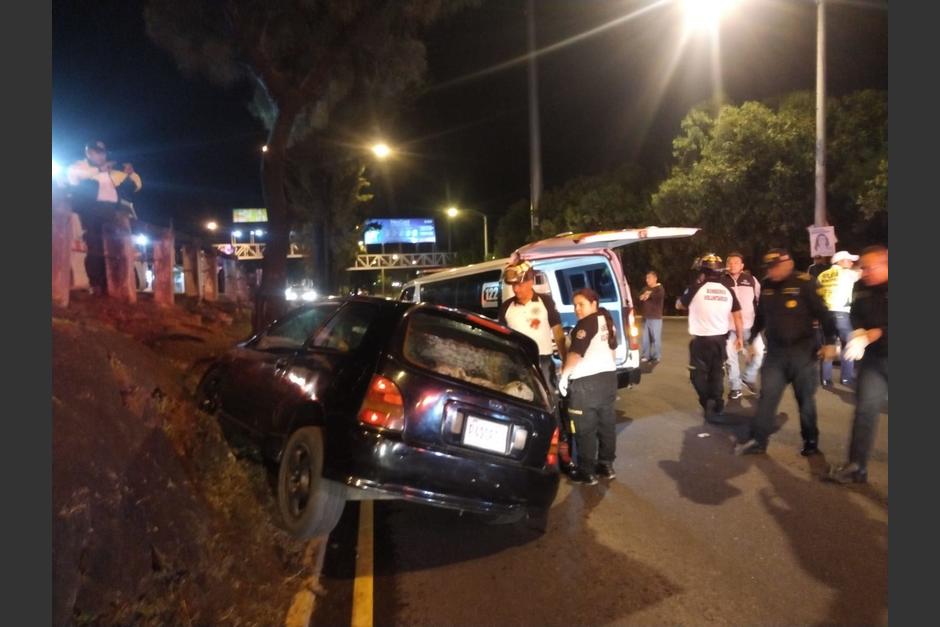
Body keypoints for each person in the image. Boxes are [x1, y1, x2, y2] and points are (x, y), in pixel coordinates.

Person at [735, 248, 839, 456]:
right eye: (768, 269)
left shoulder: (805, 282)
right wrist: (751, 340)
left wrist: (830, 342)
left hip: (803, 353)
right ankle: (758, 441)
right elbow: (761, 317)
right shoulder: (766, 285)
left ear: (788, 263)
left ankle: (811, 442)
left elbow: (825, 314)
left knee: (805, 400)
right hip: (775, 354)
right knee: (767, 398)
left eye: (774, 268)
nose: (771, 272)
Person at [498, 260, 571, 468]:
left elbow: (558, 333)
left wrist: (565, 362)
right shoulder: (506, 307)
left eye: (520, 284)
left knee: (551, 405)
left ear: (531, 281)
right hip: (517, 365)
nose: (516, 289)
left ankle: (561, 449)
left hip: (543, 362)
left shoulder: (545, 302)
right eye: (513, 285)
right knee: (520, 406)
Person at [827, 245, 888, 484]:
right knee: (865, 410)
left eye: (870, 267)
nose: (865, 272)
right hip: (874, 360)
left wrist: (875, 333)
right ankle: (856, 465)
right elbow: (855, 314)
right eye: (863, 268)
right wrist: (859, 331)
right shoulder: (862, 286)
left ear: (886, 262)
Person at [557, 288, 618, 485]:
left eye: (581, 304)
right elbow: (612, 351)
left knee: (585, 429)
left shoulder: (587, 323)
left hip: (586, 384)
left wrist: (564, 376)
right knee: (606, 426)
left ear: (594, 304)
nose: (577, 309)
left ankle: (587, 472)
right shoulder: (606, 321)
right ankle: (606, 466)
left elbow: (575, 355)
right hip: (608, 380)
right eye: (575, 305)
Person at [66, 140, 142, 294]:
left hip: (112, 212)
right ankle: (97, 285)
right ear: (88, 153)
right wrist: (100, 170)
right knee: (96, 247)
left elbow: (136, 186)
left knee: (116, 249)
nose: (101, 155)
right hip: (91, 211)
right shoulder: (79, 166)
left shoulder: (112, 171)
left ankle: (115, 285)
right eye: (96, 152)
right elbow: (76, 181)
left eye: (103, 152)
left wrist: (130, 173)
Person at [675, 253, 744, 422]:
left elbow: (679, 305)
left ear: (703, 271)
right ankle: (718, 403)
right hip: (720, 340)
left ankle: (707, 401)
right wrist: (740, 337)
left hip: (701, 341)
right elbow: (738, 316)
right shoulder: (728, 291)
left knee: (697, 375)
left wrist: (683, 298)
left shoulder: (695, 288)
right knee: (717, 373)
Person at [816, 250, 861, 387]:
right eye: (848, 260)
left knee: (829, 344)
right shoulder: (847, 273)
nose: (851, 262)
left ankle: (825, 379)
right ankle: (847, 378)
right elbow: (863, 272)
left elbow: (816, 293)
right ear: (840, 261)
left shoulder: (822, 275)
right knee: (848, 345)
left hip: (825, 314)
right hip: (841, 313)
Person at [724, 252, 763, 400]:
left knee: (759, 353)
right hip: (728, 327)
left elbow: (760, 299)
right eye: (730, 262)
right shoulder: (721, 281)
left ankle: (748, 377)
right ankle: (735, 387)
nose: (733, 264)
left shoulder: (751, 280)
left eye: (736, 262)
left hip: (750, 325)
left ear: (742, 265)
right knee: (730, 357)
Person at [638, 270, 665, 364]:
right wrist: (645, 295)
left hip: (655, 317)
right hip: (645, 317)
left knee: (656, 338)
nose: (647, 280)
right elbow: (641, 297)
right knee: (645, 338)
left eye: (649, 278)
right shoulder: (645, 288)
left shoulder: (659, 289)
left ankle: (657, 355)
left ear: (655, 278)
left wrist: (648, 295)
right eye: (646, 278)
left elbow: (655, 297)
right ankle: (646, 355)